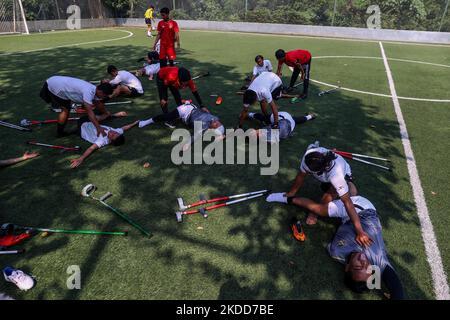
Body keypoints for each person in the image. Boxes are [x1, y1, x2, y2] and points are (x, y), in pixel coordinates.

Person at [266, 193, 405, 299]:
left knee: (337, 195)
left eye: (358, 266)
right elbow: (398, 292)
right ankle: (287, 196)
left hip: (346, 220)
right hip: (363, 210)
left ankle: (288, 197)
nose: (363, 261)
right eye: (368, 267)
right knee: (321, 208)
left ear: (347, 267)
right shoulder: (379, 259)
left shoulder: (336, 251)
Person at [283, 142, 372, 248]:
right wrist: (291, 193)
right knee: (327, 187)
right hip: (325, 174)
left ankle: (348, 184)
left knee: (345, 193)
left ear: (322, 170)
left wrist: (360, 231)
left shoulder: (336, 175)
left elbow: (347, 202)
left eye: (310, 172)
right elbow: (301, 176)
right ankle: (343, 188)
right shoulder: (309, 156)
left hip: (343, 174)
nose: (307, 172)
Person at [40, 76, 115, 138]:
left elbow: (98, 103)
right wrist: (99, 128)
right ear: (100, 91)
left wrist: (106, 113)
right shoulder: (88, 92)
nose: (104, 97)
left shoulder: (95, 89)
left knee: (73, 105)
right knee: (66, 110)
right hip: (55, 86)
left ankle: (60, 132)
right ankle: (60, 133)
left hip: (55, 80)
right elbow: (90, 112)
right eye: (104, 95)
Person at [139, 101, 225, 151]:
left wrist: (221, 136)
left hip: (190, 116)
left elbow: (221, 130)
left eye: (217, 124)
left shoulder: (214, 123)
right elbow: (195, 136)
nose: (216, 122)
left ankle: (181, 111)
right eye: (216, 123)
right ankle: (147, 121)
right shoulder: (205, 125)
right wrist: (187, 144)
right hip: (186, 110)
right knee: (167, 117)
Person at [70, 112, 137, 169]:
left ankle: (112, 115)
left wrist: (81, 158)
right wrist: (134, 123)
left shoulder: (103, 140)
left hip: (83, 125)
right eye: (116, 133)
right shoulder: (116, 132)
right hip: (87, 127)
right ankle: (110, 115)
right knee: (100, 115)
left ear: (110, 140)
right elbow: (124, 128)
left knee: (97, 114)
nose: (113, 133)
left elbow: (91, 148)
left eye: (113, 136)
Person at [247, 111, 316, 143]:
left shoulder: (265, 134)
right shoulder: (264, 132)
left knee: (294, 120)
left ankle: (310, 116)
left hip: (289, 127)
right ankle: (249, 114)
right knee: (265, 118)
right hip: (285, 121)